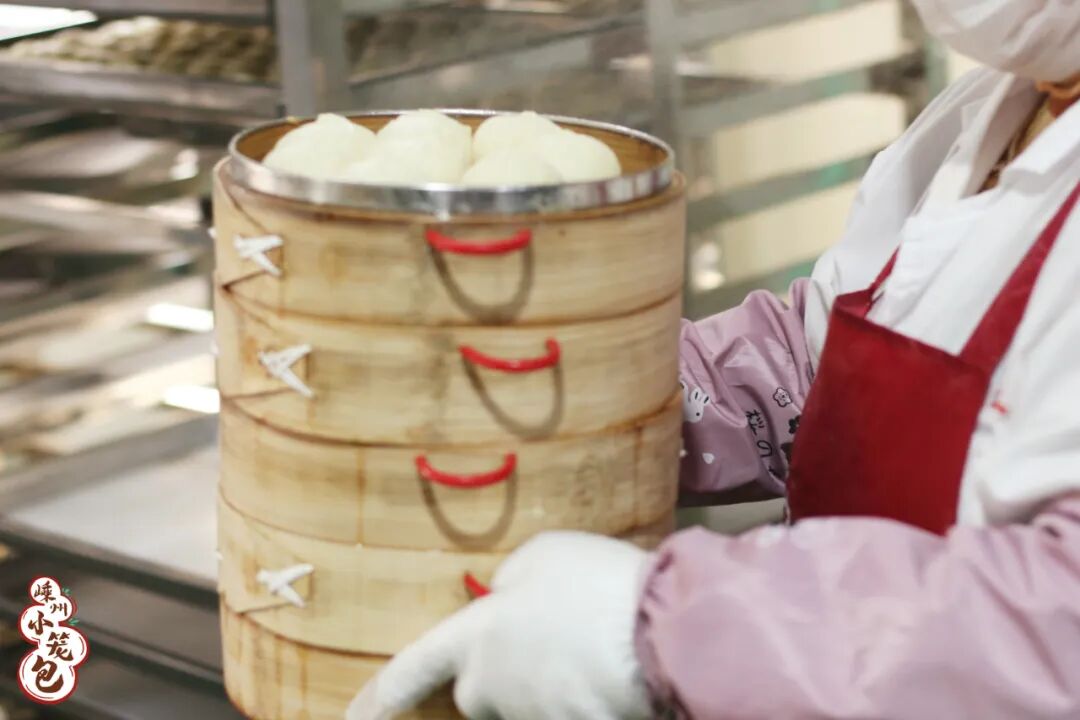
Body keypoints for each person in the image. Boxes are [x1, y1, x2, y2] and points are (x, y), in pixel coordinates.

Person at [347, 1, 1080, 717]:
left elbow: (1058, 630)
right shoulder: (985, 110)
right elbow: (821, 370)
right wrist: (601, 395)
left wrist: (663, 629)